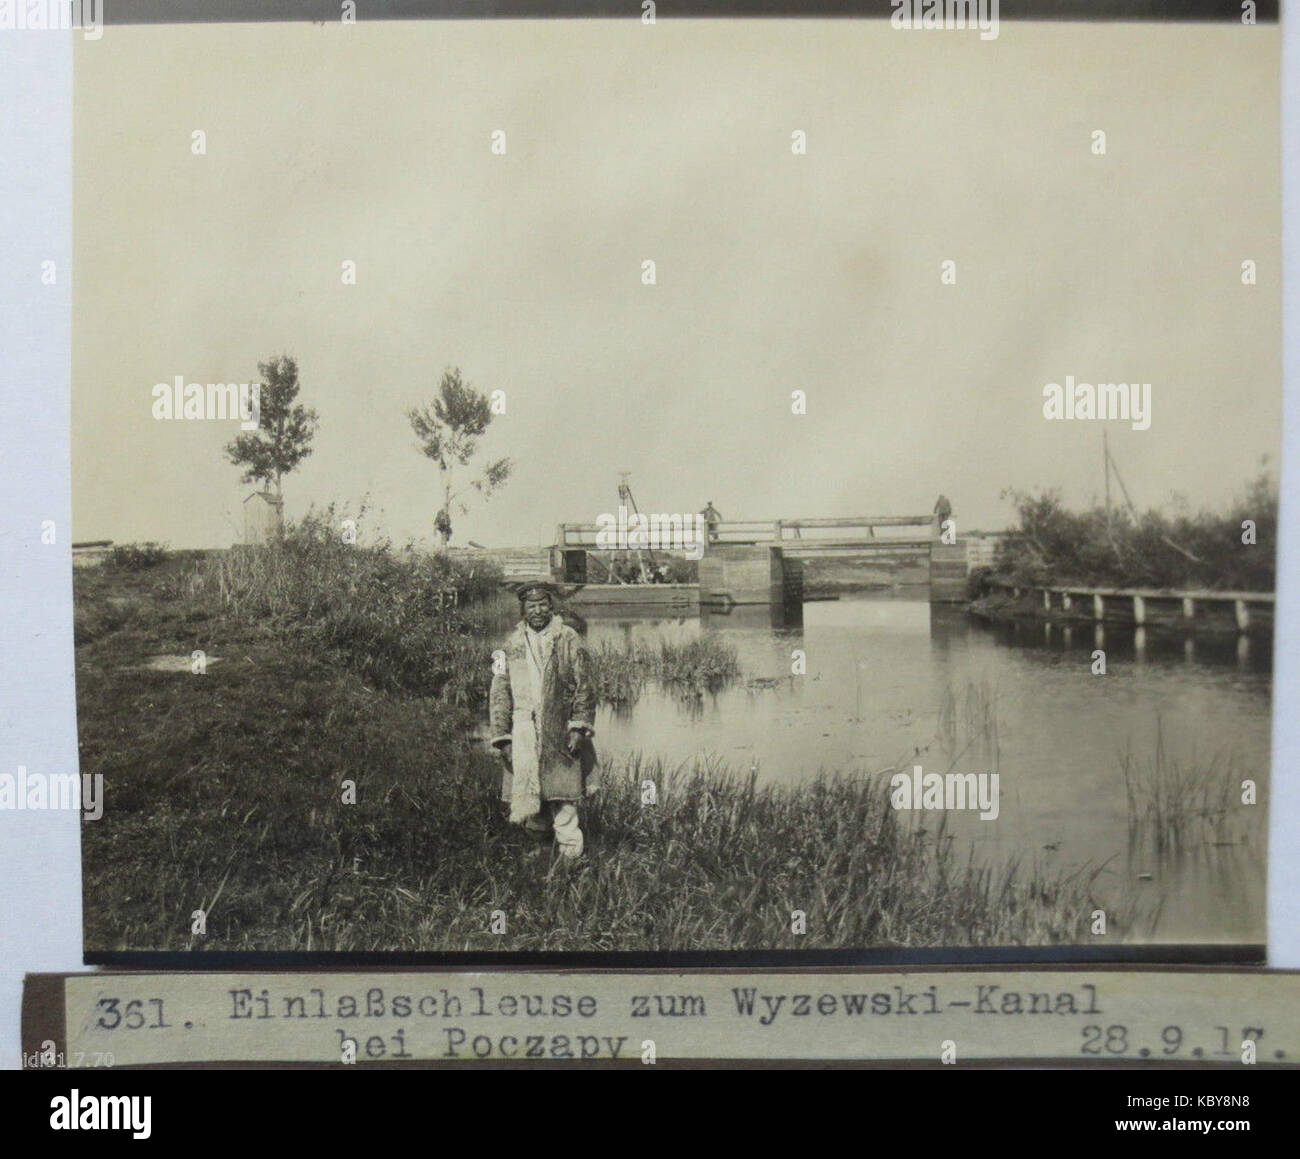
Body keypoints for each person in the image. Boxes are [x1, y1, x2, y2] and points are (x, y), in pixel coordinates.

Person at [489, 580, 597, 860]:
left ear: (551, 606)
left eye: (542, 604)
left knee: (564, 797)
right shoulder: (509, 645)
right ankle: (541, 853)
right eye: (531, 605)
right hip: (523, 731)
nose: (537, 610)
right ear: (522, 610)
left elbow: (585, 684)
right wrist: (503, 738)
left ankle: (572, 858)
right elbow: (499, 690)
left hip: (559, 729)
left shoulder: (568, 638)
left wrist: (578, 727)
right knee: (530, 795)